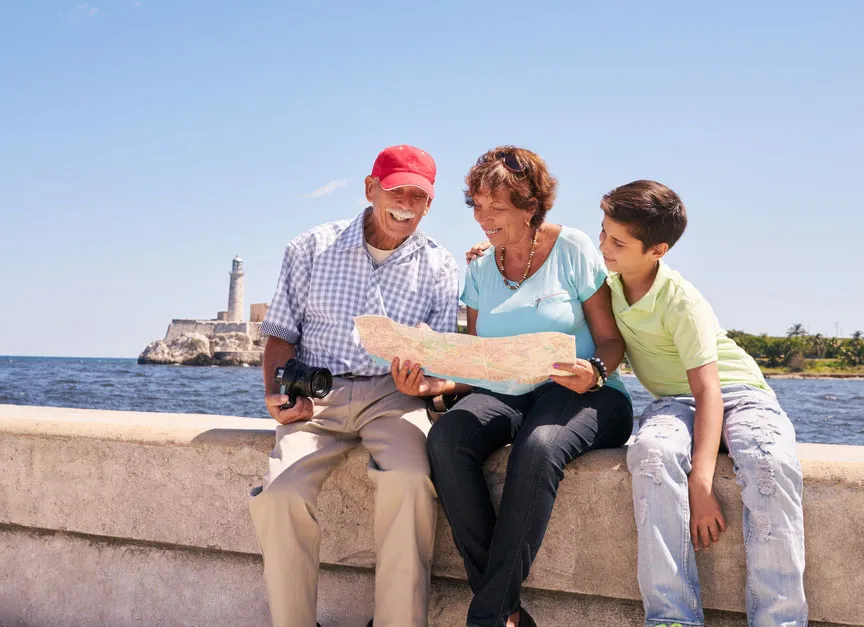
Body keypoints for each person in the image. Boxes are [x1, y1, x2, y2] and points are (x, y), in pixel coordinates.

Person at [393, 146, 634, 627]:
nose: (483, 218)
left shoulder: (574, 249)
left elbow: (610, 340)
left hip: (587, 392)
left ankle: (487, 616)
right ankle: (506, 613)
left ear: (530, 206)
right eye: (477, 206)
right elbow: (483, 362)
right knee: (447, 437)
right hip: (506, 392)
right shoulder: (480, 268)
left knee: (540, 446)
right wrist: (434, 382)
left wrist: (594, 371)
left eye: (496, 208)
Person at [249, 145, 460, 627]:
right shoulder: (310, 247)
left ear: (429, 204)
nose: (405, 203)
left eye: (418, 196)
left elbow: (439, 355)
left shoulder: (441, 266)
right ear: (370, 189)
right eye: (396, 190)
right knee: (280, 494)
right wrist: (275, 395)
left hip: (393, 395)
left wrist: (423, 381)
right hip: (317, 394)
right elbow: (280, 333)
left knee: (409, 482)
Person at [598, 180, 807, 627]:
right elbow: (554, 241)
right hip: (674, 403)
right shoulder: (606, 286)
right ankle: (671, 617)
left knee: (768, 462)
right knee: (651, 453)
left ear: (657, 250)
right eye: (603, 232)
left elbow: (709, 391)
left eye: (618, 241)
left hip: (737, 394)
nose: (604, 246)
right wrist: (492, 246)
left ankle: (780, 621)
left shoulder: (681, 300)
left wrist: (700, 483)